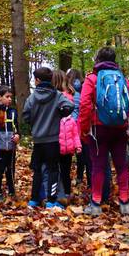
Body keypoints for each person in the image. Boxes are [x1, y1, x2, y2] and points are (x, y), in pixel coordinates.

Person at [78, 46, 129, 216]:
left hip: (98, 128)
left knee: (98, 165)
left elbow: (85, 105)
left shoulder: (92, 79)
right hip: (120, 128)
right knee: (121, 165)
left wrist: (84, 129)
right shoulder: (123, 79)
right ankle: (125, 202)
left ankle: (95, 203)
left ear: (97, 60)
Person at [22, 67, 74, 209]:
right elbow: (69, 106)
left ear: (37, 80)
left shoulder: (32, 97)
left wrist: (34, 122)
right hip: (53, 140)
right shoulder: (57, 95)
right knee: (53, 170)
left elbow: (26, 115)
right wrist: (59, 114)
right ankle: (51, 201)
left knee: (37, 170)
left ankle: (34, 200)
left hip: (38, 140)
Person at [53, 70, 81, 200]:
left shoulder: (53, 98)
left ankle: (56, 193)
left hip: (56, 139)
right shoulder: (73, 96)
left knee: (55, 168)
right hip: (69, 138)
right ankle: (67, 192)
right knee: (66, 169)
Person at [67, 69, 91, 188]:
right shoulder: (84, 87)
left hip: (70, 126)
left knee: (72, 154)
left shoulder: (69, 91)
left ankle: (77, 178)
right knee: (84, 153)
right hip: (81, 125)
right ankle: (85, 179)